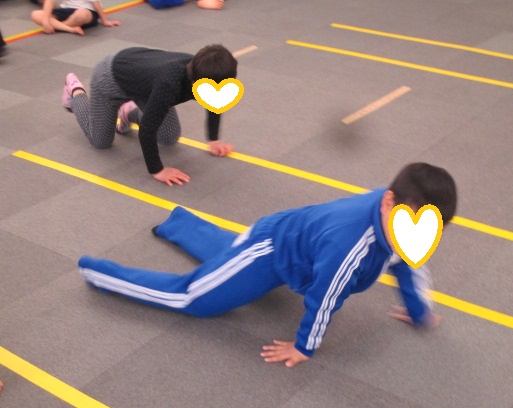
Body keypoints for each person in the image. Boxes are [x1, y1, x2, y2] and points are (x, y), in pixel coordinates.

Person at [77, 163, 458, 367]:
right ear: (389, 202)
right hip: (271, 249)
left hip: (300, 251)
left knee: (230, 262)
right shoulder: (350, 246)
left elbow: (408, 263)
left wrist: (419, 309)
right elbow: (326, 297)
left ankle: (181, 223)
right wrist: (304, 346)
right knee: (195, 299)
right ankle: (100, 274)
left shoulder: (400, 220)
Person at [62, 45, 236, 186]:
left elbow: (215, 102)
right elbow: (147, 130)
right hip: (110, 79)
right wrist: (157, 170)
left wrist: (213, 139)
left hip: (145, 85)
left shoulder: (208, 73)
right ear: (195, 81)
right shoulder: (171, 84)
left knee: (169, 137)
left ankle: (129, 112)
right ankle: (75, 93)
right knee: (101, 142)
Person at [31, 0, 121, 36]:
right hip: (66, 10)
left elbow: (96, 4)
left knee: (81, 14)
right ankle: (71, 29)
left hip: (87, 11)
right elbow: (49, 1)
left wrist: (104, 20)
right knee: (35, 14)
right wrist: (45, 21)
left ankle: (57, 26)